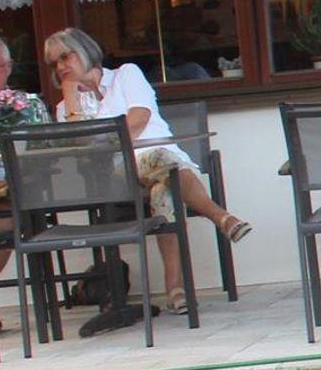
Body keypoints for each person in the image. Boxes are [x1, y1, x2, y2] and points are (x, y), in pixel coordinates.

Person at [46, 27, 250, 315]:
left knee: (163, 191)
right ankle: (221, 217)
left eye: (65, 56)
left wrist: (103, 140)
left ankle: (175, 290)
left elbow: (139, 117)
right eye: (54, 63)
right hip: (120, 174)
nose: (60, 66)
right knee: (166, 164)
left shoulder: (126, 74)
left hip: (160, 160)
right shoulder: (65, 108)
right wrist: (71, 95)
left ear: (84, 51)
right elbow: (81, 145)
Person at [0, 32, 52, 313]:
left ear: (9, 67)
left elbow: (46, 153)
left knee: (0, 221)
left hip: (11, 189)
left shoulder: (28, 105)